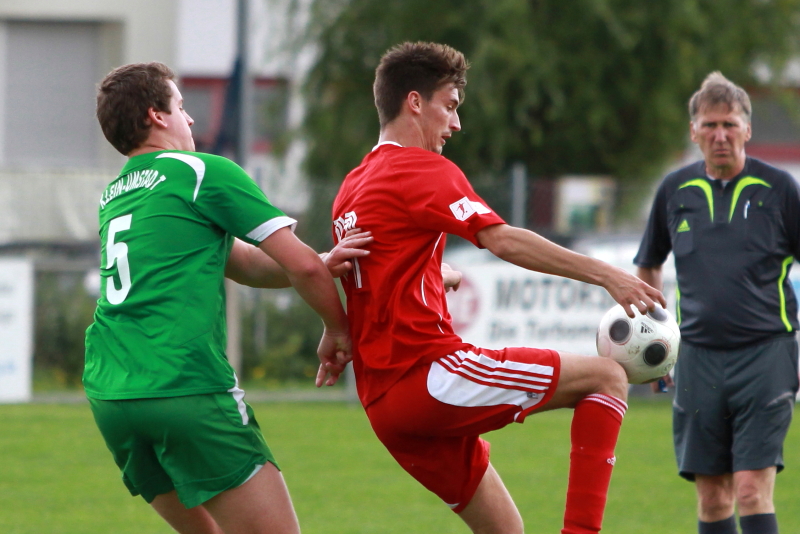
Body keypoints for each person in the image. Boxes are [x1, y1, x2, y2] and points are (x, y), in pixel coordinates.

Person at [331, 41, 666, 534]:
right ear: (415, 102)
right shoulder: (421, 169)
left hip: (382, 403)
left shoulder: (352, 187)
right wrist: (607, 274)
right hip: (428, 376)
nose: (456, 123)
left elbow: (374, 273)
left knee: (506, 530)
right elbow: (502, 240)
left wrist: (433, 275)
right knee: (607, 379)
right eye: (450, 106)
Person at [85, 62, 368, 534]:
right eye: (181, 106)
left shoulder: (115, 194)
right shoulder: (201, 173)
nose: (190, 118)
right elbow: (298, 266)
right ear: (156, 115)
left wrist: (320, 260)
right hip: (183, 384)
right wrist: (338, 329)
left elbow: (247, 263)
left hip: (112, 393)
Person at [634, 72, 800, 534]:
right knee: (712, 497)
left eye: (729, 124)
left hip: (766, 354)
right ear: (694, 132)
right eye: (710, 125)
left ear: (747, 129)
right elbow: (648, 266)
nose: (720, 135)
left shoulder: (780, 189)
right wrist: (655, 344)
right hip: (697, 358)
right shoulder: (674, 191)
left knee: (750, 490)